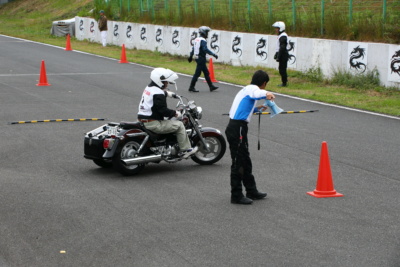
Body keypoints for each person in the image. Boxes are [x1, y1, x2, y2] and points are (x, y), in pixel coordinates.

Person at [225, 70, 275, 205]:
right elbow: (258, 93)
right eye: (265, 86)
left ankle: (251, 190)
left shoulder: (245, 90)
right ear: (264, 83)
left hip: (237, 127)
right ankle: (236, 195)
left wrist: (257, 109)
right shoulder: (254, 89)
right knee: (238, 162)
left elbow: (242, 108)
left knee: (246, 160)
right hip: (238, 129)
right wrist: (267, 94)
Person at [138, 68, 198, 159]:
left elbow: (158, 94)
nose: (167, 84)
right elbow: (163, 110)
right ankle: (186, 150)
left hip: (144, 118)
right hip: (153, 123)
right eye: (165, 82)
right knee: (179, 125)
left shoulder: (149, 88)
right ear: (160, 81)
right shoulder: (158, 93)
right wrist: (175, 113)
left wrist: (170, 94)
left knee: (169, 121)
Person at [188, 26, 219, 93]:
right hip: (201, 58)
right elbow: (205, 49)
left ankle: (211, 86)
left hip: (197, 57)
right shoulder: (203, 40)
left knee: (206, 73)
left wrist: (190, 56)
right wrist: (213, 54)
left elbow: (193, 49)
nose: (207, 34)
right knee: (197, 74)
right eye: (207, 32)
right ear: (204, 32)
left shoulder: (197, 39)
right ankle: (191, 87)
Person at [272, 21, 289, 87]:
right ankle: (284, 81)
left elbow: (282, 47)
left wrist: (279, 56)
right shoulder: (281, 36)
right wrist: (277, 53)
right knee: (281, 69)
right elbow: (279, 46)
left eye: (277, 28)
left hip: (283, 54)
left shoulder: (283, 36)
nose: (276, 30)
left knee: (282, 69)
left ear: (280, 28)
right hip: (282, 53)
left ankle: (284, 83)